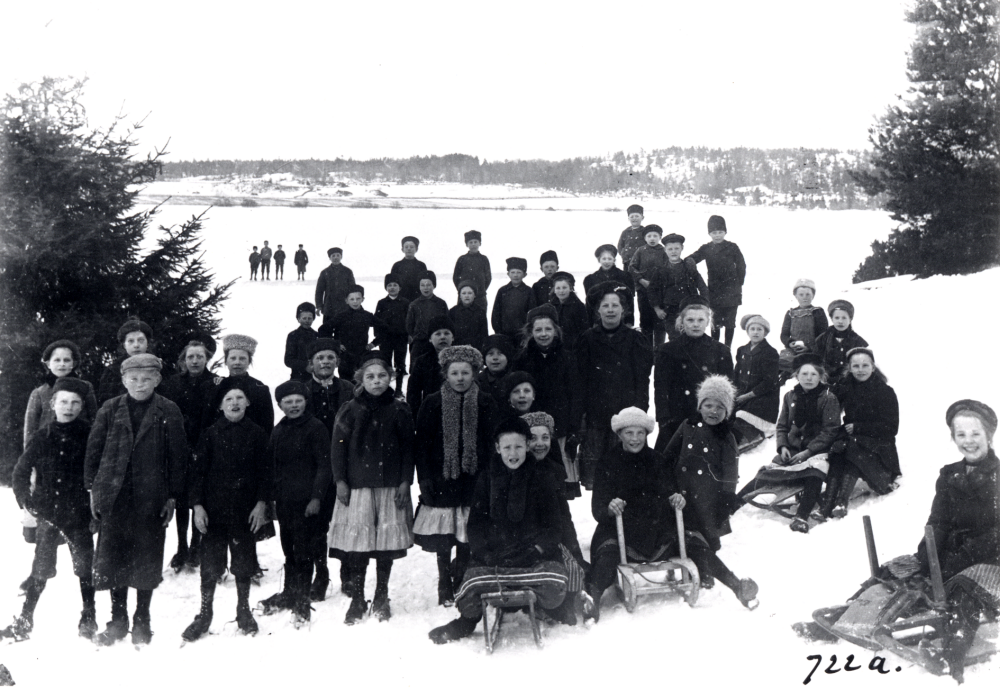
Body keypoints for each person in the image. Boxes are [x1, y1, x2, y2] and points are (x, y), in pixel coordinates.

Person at [428, 417, 570, 643]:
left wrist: (536, 550)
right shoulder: (486, 479)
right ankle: (467, 621)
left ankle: (548, 606)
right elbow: (475, 525)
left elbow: (554, 527)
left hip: (533, 557)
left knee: (554, 582)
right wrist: (485, 554)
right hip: (496, 557)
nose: (513, 453)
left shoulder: (542, 478)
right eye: (507, 447)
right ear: (497, 448)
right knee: (470, 584)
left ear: (527, 446)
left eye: (519, 447)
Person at [84, 354, 188, 646]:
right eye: (133, 379)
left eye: (146, 379)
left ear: (157, 380)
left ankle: (142, 618)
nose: (140, 384)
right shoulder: (109, 409)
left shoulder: (168, 410)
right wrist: (93, 490)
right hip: (114, 496)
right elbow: (94, 451)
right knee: (114, 556)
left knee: (146, 557)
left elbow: (178, 457)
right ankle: (118, 620)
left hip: (151, 498)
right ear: (124, 380)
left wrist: (172, 496)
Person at [5, 379, 98, 642]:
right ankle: (25, 620)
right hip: (49, 514)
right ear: (52, 404)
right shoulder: (42, 436)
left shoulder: (90, 435)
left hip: (79, 514)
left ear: (82, 406)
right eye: (63, 402)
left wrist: (96, 506)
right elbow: (20, 472)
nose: (69, 407)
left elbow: (99, 472)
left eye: (75, 403)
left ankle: (88, 616)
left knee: (85, 567)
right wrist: (26, 501)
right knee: (41, 567)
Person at [914, 399, 999, 682]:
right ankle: (844, 620)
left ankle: (952, 657)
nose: (968, 441)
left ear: (989, 435)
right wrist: (928, 553)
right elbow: (938, 521)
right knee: (902, 573)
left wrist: (960, 559)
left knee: (965, 590)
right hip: (956, 554)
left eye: (975, 434)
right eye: (961, 434)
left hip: (992, 559)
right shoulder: (949, 474)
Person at [330, 354, 415, 624]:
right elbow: (338, 447)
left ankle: (381, 594)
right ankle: (357, 597)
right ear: (361, 380)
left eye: (382, 376)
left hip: (390, 486)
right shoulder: (350, 409)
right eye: (370, 377)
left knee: (385, 544)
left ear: (390, 378)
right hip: (358, 487)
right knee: (359, 543)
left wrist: (405, 481)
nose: (376, 381)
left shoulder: (400, 410)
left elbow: (408, 449)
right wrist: (340, 481)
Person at [181, 383, 270, 641]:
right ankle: (204, 614)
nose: (234, 403)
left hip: (245, 512)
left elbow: (266, 472)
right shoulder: (209, 434)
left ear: (248, 403)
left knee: (243, 563)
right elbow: (197, 473)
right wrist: (197, 506)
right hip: (213, 513)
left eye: (240, 398)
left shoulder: (257, 434)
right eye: (229, 399)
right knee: (210, 565)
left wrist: (261, 504)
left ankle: (243, 611)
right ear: (220, 406)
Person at [661, 376, 759, 608]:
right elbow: (668, 455)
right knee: (684, 533)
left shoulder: (727, 436)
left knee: (705, 535)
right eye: (708, 405)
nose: (713, 411)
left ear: (727, 412)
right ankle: (701, 569)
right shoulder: (687, 426)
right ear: (700, 406)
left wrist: (726, 497)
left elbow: (730, 471)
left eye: (719, 407)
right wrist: (667, 483)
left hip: (708, 497)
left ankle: (706, 572)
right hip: (681, 493)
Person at [413, 345, 499, 607]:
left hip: (475, 478)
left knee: (467, 528)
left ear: (474, 373)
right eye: (454, 373)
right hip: (442, 478)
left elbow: (492, 442)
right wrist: (424, 478)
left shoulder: (485, 401)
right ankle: (443, 579)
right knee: (444, 533)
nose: (460, 378)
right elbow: (422, 444)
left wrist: (490, 477)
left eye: (465, 373)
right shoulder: (432, 403)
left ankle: (461, 569)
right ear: (445, 374)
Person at [586, 406, 676, 621]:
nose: (635, 439)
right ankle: (592, 600)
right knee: (607, 556)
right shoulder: (607, 462)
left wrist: (675, 498)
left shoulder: (658, 460)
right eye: (629, 433)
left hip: (653, 528)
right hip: (618, 528)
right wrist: (610, 508)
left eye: (640, 433)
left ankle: (735, 584)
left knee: (691, 540)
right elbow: (597, 508)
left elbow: (670, 492)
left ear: (647, 434)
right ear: (619, 434)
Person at [737, 353, 840, 533]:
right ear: (797, 375)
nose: (809, 378)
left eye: (813, 374)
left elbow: (830, 430)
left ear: (821, 376)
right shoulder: (790, 396)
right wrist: (783, 446)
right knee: (765, 473)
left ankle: (801, 516)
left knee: (815, 476)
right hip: (791, 450)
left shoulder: (828, 398)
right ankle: (732, 504)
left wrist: (808, 451)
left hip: (816, 452)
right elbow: (782, 426)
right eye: (804, 374)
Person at [20, 339, 98, 578]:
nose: (62, 364)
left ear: (74, 363)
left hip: (76, 460)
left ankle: (85, 569)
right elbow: (30, 431)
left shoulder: (85, 388)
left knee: (78, 522)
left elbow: (94, 422)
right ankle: (40, 572)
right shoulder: (39, 393)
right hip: (47, 462)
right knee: (45, 520)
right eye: (57, 360)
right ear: (47, 363)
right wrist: (32, 465)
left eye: (67, 360)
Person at [258, 380, 331, 626]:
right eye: (288, 402)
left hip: (308, 503)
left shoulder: (316, 428)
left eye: (298, 401)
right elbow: (271, 466)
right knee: (289, 550)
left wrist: (316, 498)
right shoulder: (279, 430)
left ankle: (302, 601)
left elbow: (324, 466)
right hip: (285, 502)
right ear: (280, 405)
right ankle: (289, 593)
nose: (294, 405)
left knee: (304, 552)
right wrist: (271, 499)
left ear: (305, 402)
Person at [576, 282, 653, 489]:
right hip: (596, 418)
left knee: (629, 476)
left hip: (626, 416)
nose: (610, 310)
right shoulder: (587, 339)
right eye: (605, 305)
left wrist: (639, 413)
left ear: (623, 309)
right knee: (598, 480)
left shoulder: (636, 339)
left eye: (615, 305)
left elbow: (642, 380)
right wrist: (582, 414)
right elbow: (580, 381)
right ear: (598, 310)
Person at [302, 338, 355, 600]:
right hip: (314, 467)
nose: (325, 362)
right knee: (316, 525)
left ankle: (348, 573)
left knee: (346, 519)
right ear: (311, 363)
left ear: (337, 362)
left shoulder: (349, 389)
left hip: (345, 465)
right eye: (320, 358)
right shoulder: (302, 390)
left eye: (330, 358)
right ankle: (320, 575)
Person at [160, 337, 218, 572]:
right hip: (179, 446)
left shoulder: (215, 383)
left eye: (199, 357)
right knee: (182, 499)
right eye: (190, 357)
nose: (195, 361)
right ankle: (182, 546)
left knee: (199, 497)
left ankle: (196, 545)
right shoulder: (173, 383)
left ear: (207, 359)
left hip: (205, 446)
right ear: (184, 360)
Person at [821, 347, 900, 518]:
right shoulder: (846, 387)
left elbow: (891, 428)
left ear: (873, 367)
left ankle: (840, 501)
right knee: (840, 449)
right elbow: (829, 403)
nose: (861, 370)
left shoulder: (885, 391)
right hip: (854, 442)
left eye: (865, 365)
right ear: (849, 368)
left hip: (879, 449)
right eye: (856, 366)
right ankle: (828, 505)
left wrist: (859, 427)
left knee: (852, 448)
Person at [514, 304, 583, 484]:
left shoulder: (568, 358)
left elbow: (576, 394)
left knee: (560, 479)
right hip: (531, 429)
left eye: (548, 329)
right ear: (531, 332)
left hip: (560, 428)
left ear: (556, 331)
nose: (543, 334)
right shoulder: (522, 359)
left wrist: (574, 429)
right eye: (538, 330)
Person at [653, 297, 734, 449]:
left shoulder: (721, 351)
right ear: (681, 321)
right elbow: (661, 388)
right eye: (690, 320)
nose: (696, 324)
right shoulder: (667, 350)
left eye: (700, 320)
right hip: (676, 419)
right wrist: (664, 420)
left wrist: (724, 420)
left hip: (709, 418)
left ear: (708, 321)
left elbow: (728, 390)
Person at [686, 215, 746, 347]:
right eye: (714, 232)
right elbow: (694, 258)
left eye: (720, 232)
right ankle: (715, 348)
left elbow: (741, 265)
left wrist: (738, 283)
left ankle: (727, 347)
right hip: (714, 291)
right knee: (715, 322)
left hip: (731, 291)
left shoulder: (732, 247)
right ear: (709, 234)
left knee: (730, 322)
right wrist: (688, 261)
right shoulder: (706, 248)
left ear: (725, 232)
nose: (717, 235)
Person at [205, 334, 273, 436]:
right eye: (233, 358)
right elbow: (208, 420)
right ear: (226, 361)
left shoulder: (259, 388)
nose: (237, 362)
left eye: (242, 358)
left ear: (249, 361)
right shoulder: (218, 386)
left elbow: (267, 425)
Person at [648, 232, 708, 342]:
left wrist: (704, 306)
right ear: (665, 250)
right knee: (674, 338)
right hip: (669, 311)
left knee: (691, 336)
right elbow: (652, 290)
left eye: (676, 248)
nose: (673, 252)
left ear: (682, 248)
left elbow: (702, 287)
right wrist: (657, 309)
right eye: (670, 249)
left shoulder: (689, 268)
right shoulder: (660, 270)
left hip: (689, 309)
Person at [732, 314, 780, 450]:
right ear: (747, 331)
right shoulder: (742, 350)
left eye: (759, 329)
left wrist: (747, 396)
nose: (755, 332)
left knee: (743, 414)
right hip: (742, 393)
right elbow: (736, 375)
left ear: (765, 332)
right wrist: (734, 392)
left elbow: (769, 382)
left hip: (762, 396)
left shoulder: (770, 352)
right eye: (752, 329)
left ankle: (752, 436)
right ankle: (731, 436)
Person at [322, 284, 386, 379]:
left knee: (361, 380)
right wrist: (335, 344)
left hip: (362, 354)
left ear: (362, 299)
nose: (355, 302)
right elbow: (323, 329)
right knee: (346, 381)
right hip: (345, 356)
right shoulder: (341, 316)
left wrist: (373, 343)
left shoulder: (367, 315)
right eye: (352, 299)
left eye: (358, 298)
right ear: (346, 300)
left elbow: (385, 329)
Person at [628, 224, 670, 347]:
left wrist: (660, 284)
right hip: (643, 291)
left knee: (660, 321)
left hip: (660, 293)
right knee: (645, 321)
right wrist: (641, 280)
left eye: (655, 236)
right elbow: (632, 267)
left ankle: (659, 350)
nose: (652, 238)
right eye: (649, 236)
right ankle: (646, 350)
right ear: (645, 238)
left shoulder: (664, 251)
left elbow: (668, 269)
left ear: (660, 237)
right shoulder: (640, 251)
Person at [778, 278, 828, 379]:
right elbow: (784, 335)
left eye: (808, 294)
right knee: (779, 365)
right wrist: (790, 343)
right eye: (801, 294)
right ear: (795, 296)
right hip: (793, 350)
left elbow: (823, 335)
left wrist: (809, 347)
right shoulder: (790, 313)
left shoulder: (818, 312)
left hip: (813, 350)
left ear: (813, 295)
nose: (804, 297)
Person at [97, 318, 155, 405]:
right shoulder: (113, 371)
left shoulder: (159, 367)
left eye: (141, 340)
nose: (136, 345)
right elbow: (106, 403)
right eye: (131, 341)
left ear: (147, 343)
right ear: (124, 345)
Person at [406, 315, 455, 417]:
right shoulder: (422, 362)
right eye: (438, 334)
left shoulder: (461, 359)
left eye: (446, 333)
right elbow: (413, 393)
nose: (442, 337)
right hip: (431, 413)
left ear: (453, 337)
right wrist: (417, 416)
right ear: (430, 339)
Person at [814, 299, 869, 380]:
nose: (840, 321)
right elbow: (815, 359)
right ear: (832, 319)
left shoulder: (857, 341)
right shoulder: (823, 338)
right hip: (826, 379)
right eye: (837, 318)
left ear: (850, 319)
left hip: (849, 380)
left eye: (844, 318)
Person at [375, 273, 411, 393]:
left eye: (395, 285)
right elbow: (376, 320)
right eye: (389, 285)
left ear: (400, 287)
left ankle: (399, 389)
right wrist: (378, 337)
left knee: (400, 364)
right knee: (386, 364)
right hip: (385, 339)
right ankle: (386, 389)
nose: (392, 288)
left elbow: (410, 320)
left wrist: (409, 335)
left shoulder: (405, 302)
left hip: (401, 338)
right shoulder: (381, 303)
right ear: (386, 287)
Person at [583, 244, 635, 327]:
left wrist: (629, 322)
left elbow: (630, 301)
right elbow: (590, 303)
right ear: (599, 260)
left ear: (614, 259)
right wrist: (591, 324)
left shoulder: (626, 276)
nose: (606, 262)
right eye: (604, 259)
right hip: (599, 320)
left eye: (609, 259)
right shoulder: (590, 279)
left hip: (621, 319)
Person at [405, 269, 449, 363]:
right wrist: (417, 337)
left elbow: (446, 323)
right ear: (419, 287)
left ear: (434, 286)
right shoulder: (414, 304)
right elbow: (409, 325)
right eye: (422, 285)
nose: (426, 288)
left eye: (428, 285)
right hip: (419, 343)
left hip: (437, 343)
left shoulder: (441, 303)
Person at [491, 257, 536, 340]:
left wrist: (528, 333)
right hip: (504, 333)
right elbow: (496, 313)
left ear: (525, 274)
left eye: (519, 272)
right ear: (508, 274)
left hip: (522, 334)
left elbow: (532, 313)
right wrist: (498, 331)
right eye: (513, 272)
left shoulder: (529, 291)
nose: (515, 275)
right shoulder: (502, 291)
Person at [315, 247, 356, 328]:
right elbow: (319, 291)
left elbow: (353, 289)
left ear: (341, 257)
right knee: (327, 330)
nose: (336, 258)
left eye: (338, 255)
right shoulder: (325, 272)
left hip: (344, 308)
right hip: (329, 308)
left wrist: (353, 303)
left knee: (344, 331)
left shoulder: (347, 271)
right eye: (333, 256)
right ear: (329, 258)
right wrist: (319, 306)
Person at [549, 271, 589, 350]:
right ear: (554, 290)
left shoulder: (578, 306)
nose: (561, 291)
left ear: (570, 288)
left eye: (564, 287)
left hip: (573, 346)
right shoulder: (552, 306)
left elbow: (583, 329)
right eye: (558, 288)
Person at [452, 229, 491, 312]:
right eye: (470, 242)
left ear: (480, 243)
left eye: (475, 242)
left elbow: (488, 278)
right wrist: (462, 290)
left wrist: (481, 290)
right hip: (464, 297)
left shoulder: (484, 259)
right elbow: (455, 277)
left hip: (480, 297)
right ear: (467, 244)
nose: (473, 244)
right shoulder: (462, 259)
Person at [449, 281, 488, 355]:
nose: (467, 296)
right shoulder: (453, 311)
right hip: (457, 349)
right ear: (460, 295)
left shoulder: (480, 312)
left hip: (475, 348)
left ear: (474, 295)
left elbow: (484, 334)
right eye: (464, 293)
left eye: (470, 293)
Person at [284, 302, 319, 382]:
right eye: (304, 318)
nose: (307, 321)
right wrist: (305, 366)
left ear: (313, 319)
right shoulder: (293, 336)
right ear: (298, 319)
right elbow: (288, 360)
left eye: (309, 318)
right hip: (298, 377)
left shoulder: (317, 335)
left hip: (316, 377)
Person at [476, 334, 515, 407]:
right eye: (490, 354)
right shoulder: (477, 381)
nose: (495, 358)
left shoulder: (516, 379)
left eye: (500, 353)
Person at [390, 235, 428, 303]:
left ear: (416, 249)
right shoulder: (397, 266)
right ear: (402, 249)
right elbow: (392, 283)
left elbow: (425, 283)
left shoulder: (421, 265)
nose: (409, 249)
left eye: (411, 247)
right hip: (400, 300)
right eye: (406, 247)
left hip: (417, 299)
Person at [616, 203, 646, 271]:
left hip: (640, 262)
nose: (634, 218)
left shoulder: (645, 232)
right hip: (627, 261)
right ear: (628, 218)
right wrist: (623, 254)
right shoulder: (625, 232)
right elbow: (620, 245)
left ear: (642, 217)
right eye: (632, 217)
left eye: (637, 216)